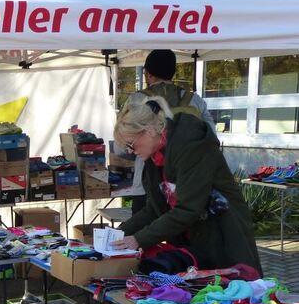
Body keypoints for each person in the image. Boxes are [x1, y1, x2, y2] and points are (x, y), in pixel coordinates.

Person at [112, 93, 261, 274]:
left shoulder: (191, 146)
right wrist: (118, 234)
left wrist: (138, 239)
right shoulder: (154, 156)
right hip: (192, 238)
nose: (131, 151)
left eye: (131, 144)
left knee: (231, 285)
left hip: (222, 232)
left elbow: (188, 208)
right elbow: (154, 209)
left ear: (149, 130)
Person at [127, 49, 215, 214]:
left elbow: (123, 142)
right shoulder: (194, 100)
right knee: (181, 225)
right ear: (173, 72)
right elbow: (211, 136)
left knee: (145, 225)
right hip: (186, 181)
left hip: (147, 183)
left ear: (147, 73)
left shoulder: (137, 100)